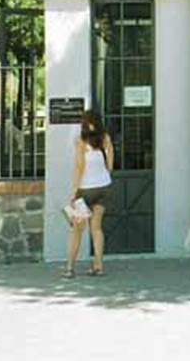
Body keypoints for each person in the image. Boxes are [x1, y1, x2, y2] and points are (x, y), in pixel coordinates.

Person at [64, 111, 114, 278]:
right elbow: (110, 162)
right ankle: (98, 266)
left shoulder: (80, 141)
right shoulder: (105, 138)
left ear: (84, 123)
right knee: (97, 228)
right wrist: (104, 174)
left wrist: (74, 193)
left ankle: (70, 268)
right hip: (103, 187)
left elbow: (79, 167)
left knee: (77, 229)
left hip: (85, 189)